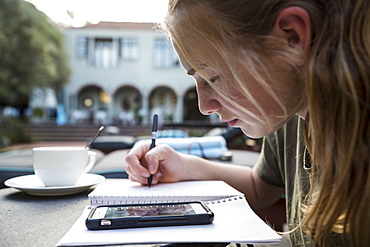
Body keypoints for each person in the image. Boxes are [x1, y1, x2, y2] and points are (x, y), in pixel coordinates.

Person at [125, 1, 369, 246]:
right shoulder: (287, 113)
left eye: (213, 78)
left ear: (291, 38)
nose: (204, 106)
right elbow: (259, 187)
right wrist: (185, 167)